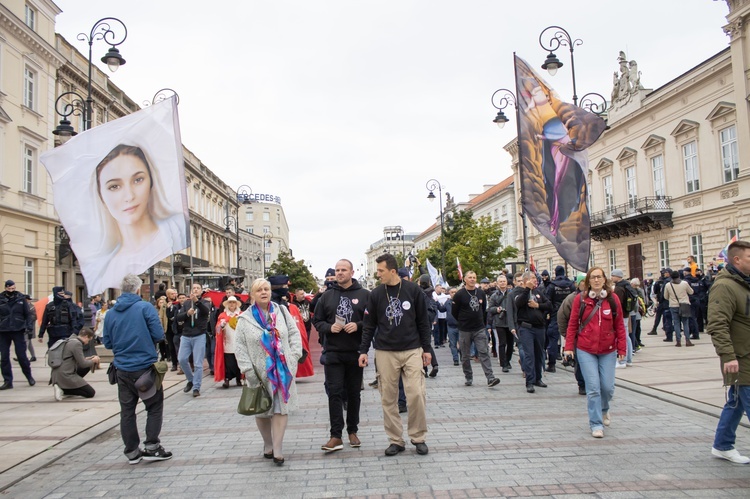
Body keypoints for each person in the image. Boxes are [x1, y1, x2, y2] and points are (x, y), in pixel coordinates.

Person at [88, 144, 188, 292]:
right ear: (101, 195)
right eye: (114, 186)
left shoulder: (173, 235)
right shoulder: (104, 262)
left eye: (138, 180)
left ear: (152, 182)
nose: (129, 196)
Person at [359, 253, 431, 457]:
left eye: (380, 270)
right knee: (388, 397)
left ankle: (418, 437)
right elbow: (369, 325)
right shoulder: (376, 294)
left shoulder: (413, 290)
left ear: (392, 271)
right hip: (385, 351)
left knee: (416, 393)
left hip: (412, 349)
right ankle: (395, 440)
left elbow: (423, 322)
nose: (377, 273)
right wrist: (363, 351)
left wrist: (427, 349)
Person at [103, 274, 172, 464]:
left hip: (122, 368)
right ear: (138, 289)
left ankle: (132, 451)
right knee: (154, 406)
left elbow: (107, 342)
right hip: (144, 368)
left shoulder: (110, 313)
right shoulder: (144, 308)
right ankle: (152, 446)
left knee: (127, 411)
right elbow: (158, 334)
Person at [235, 278, 303, 466]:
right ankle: (268, 444)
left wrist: (294, 355)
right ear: (252, 295)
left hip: (283, 371)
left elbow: (294, 333)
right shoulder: (245, 318)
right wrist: (247, 369)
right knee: (262, 410)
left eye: (266, 289)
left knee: (282, 408)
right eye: (259, 290)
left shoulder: (281, 311)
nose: (264, 292)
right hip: (258, 372)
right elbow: (239, 346)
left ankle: (278, 449)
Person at [313, 259, 370, 452]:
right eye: (337, 270)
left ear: (352, 272)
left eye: (343, 270)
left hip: (355, 352)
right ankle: (335, 435)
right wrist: (329, 327)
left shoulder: (364, 295)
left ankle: (353, 430)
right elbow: (317, 321)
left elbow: (372, 321)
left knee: (354, 393)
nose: (339, 273)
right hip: (333, 352)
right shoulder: (327, 296)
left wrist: (358, 325)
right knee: (334, 393)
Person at [564, 267, 627, 438]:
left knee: (607, 387)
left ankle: (604, 409)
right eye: (593, 278)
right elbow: (572, 324)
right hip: (586, 349)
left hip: (608, 349)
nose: (596, 280)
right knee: (593, 388)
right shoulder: (581, 299)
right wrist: (568, 347)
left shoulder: (613, 299)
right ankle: (596, 423)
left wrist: (623, 348)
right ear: (588, 282)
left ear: (605, 279)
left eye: (599, 277)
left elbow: (619, 325)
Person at [707, 240, 750, 464]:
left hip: (745, 354)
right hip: (741, 358)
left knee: (736, 403)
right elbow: (716, 324)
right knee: (744, 400)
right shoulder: (725, 286)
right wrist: (728, 356)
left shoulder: (743, 283)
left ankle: (722, 445)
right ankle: (723, 445)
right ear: (737, 260)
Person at [453, 271, 499, 388]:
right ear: (465, 279)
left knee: (483, 352)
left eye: (474, 277)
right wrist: (463, 320)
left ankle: (490, 377)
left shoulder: (481, 293)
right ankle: (468, 376)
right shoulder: (459, 294)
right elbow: (454, 312)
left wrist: (482, 322)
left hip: (479, 328)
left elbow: (483, 309)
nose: (472, 279)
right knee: (465, 355)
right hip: (465, 329)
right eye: (470, 277)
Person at [514, 271, 552, 393]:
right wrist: (527, 289)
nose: (535, 280)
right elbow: (518, 303)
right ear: (525, 281)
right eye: (532, 278)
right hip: (526, 328)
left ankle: (538, 378)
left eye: (535, 278)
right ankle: (529, 381)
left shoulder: (538, 292)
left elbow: (549, 305)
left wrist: (538, 306)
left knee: (539, 354)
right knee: (529, 354)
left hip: (539, 328)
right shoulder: (520, 293)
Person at [176, 283, 211, 397]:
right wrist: (187, 314)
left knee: (198, 363)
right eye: (194, 288)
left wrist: (197, 301)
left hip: (199, 335)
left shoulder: (205, 302)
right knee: (181, 359)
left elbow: (206, 311)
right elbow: (178, 317)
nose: (195, 290)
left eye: (198, 288)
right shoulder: (186, 303)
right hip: (186, 335)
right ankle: (191, 379)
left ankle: (196, 387)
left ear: (201, 291)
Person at [0, 280, 35, 389]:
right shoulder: (1, 299)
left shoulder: (20, 299)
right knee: (4, 357)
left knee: (21, 356)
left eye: (13, 289)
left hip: (18, 330)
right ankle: (7, 381)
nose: (11, 291)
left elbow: (28, 314)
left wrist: (29, 327)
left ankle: (29, 376)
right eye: (9, 289)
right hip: (3, 331)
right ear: (5, 288)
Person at [557, 273, 588, 395]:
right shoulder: (571, 299)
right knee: (579, 362)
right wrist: (567, 334)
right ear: (578, 284)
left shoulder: (597, 297)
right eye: (583, 282)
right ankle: (582, 384)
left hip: (592, 337)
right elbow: (562, 316)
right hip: (577, 336)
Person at [50, 328, 100, 400]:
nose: (88, 342)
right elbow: (83, 364)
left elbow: (73, 359)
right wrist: (94, 361)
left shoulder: (71, 340)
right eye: (89, 340)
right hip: (65, 374)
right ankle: (64, 390)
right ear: (86, 336)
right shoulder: (77, 344)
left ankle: (65, 388)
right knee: (90, 393)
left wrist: (89, 359)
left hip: (58, 373)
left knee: (87, 366)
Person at [544, 265, 575, 373]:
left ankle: (552, 364)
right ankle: (571, 359)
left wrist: (548, 313)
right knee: (571, 336)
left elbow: (547, 301)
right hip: (571, 313)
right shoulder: (571, 285)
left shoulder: (552, 286)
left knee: (552, 338)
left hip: (555, 313)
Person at [486, 274, 515, 373]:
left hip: (510, 322)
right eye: (501, 281)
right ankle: (503, 364)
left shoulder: (512, 293)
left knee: (511, 343)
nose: (503, 283)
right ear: (497, 283)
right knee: (502, 343)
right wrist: (497, 309)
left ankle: (508, 360)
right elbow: (489, 309)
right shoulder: (494, 295)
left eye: (504, 281)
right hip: (499, 322)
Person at [213, 296, 243, 388]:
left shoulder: (241, 315)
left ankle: (239, 378)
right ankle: (227, 379)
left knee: (239, 361)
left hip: (239, 342)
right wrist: (221, 325)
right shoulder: (222, 315)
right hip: (227, 343)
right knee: (228, 362)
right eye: (230, 303)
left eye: (233, 303)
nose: (232, 305)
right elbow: (217, 331)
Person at [663, 270, 694, 347]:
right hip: (684, 304)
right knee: (685, 323)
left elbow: (665, 297)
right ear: (679, 276)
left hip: (673, 305)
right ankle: (687, 340)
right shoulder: (684, 283)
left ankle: (678, 341)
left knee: (676, 323)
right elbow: (691, 292)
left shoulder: (668, 285)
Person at [440, 287, 460, 366]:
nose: (454, 294)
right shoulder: (447, 302)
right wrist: (437, 303)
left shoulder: (460, 301)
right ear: (449, 293)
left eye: (455, 292)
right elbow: (442, 309)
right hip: (451, 326)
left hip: (460, 326)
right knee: (453, 344)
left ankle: (463, 356)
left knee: (462, 344)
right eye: (452, 292)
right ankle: (455, 359)